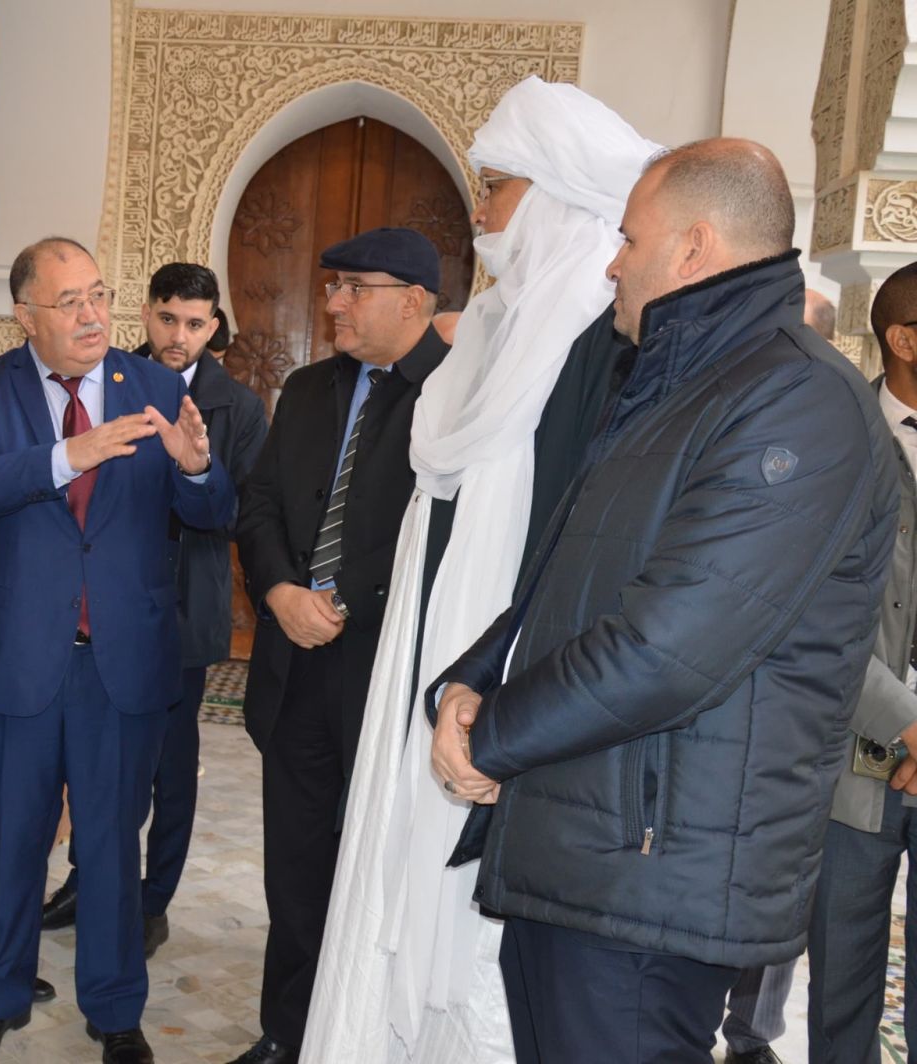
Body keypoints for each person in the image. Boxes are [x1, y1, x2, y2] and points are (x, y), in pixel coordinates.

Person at [430, 139, 897, 1062]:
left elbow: (671, 646)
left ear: (693, 247)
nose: (614, 263)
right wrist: (466, 683)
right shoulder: (679, 385)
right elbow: (566, 578)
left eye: (629, 239)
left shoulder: (799, 402)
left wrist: (491, 737)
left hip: (655, 874)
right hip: (591, 846)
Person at [303, 77, 658, 1064]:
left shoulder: (599, 342)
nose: (481, 211)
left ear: (554, 194)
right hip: (429, 660)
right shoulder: (498, 326)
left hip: (507, 694)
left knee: (478, 955)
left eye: (497, 186)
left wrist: (500, 700)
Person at [0, 237, 235, 1064]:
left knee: (109, 843)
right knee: (16, 839)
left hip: (120, 660)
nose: (91, 315)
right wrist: (68, 456)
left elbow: (214, 514)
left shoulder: (154, 387)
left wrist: (197, 469)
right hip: (17, 658)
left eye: (99, 295)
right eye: (68, 302)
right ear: (24, 315)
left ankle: (115, 1010)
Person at [230, 227, 451, 1064]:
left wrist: (345, 601)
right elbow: (258, 506)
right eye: (333, 287)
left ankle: (357, 1038)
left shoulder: (453, 393)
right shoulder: (308, 387)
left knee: (378, 875)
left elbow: (446, 533)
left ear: (414, 301)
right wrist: (281, 592)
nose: (334, 303)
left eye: (356, 288)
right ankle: (286, 1034)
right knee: (294, 871)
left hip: (386, 677)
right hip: (293, 668)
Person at [41, 264, 267, 957]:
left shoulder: (238, 407)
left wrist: (192, 474)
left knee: (170, 764)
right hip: (105, 602)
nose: (179, 337)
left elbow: (242, 510)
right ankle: (87, 879)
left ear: (214, 327)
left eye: (195, 324)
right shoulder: (109, 380)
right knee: (99, 757)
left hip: (185, 606)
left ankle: (153, 898)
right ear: (145, 313)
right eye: (168, 319)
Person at [720, 287, 838, 1064]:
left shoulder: (835, 430)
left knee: (778, 877)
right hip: (717, 687)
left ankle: (752, 1034)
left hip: (798, 704)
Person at [805, 263, 917, 1063]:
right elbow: (813, 612)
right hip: (853, 758)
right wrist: (906, 723)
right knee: (841, 996)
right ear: (904, 340)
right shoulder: (834, 443)